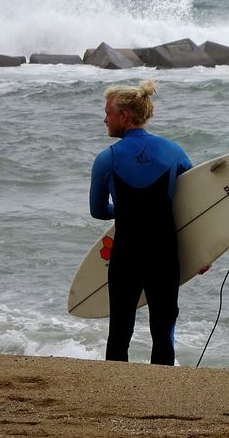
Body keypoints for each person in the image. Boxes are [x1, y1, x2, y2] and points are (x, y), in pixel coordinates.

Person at [89, 79, 192, 365]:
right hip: (165, 255)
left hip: (127, 256)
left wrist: (123, 209)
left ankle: (115, 392)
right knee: (163, 330)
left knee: (120, 331)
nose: (104, 118)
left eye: (108, 112)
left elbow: (98, 210)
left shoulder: (106, 159)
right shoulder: (175, 152)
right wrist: (203, 251)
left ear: (124, 117)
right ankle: (163, 392)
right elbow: (196, 205)